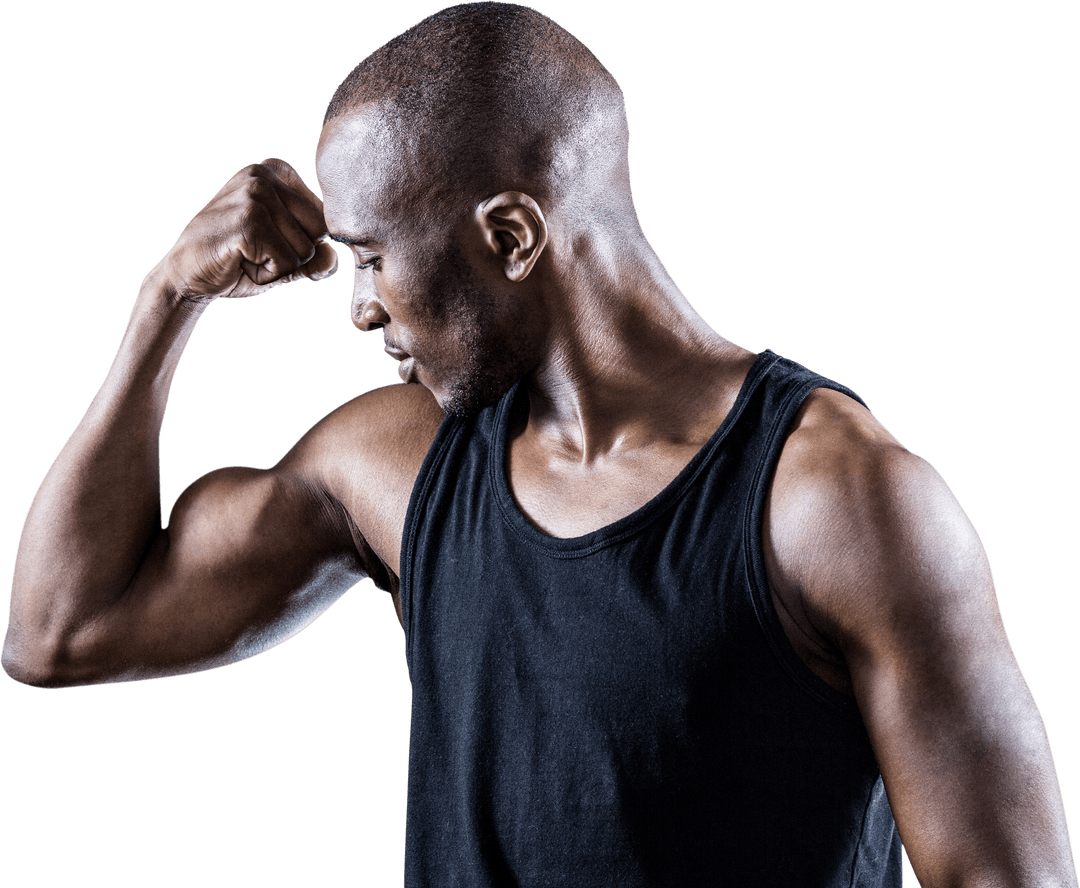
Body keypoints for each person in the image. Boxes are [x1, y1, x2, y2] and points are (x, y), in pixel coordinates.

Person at [2, 3, 1075, 885]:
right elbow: (59, 630)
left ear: (510, 236)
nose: (361, 308)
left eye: (373, 256)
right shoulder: (397, 463)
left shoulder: (837, 502)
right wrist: (166, 300)